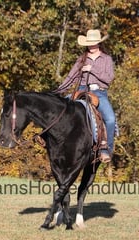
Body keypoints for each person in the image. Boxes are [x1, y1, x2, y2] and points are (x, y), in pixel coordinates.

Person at [54, 29, 115, 163]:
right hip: (81, 90)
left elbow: (109, 78)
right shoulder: (81, 59)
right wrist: (58, 91)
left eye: (93, 43)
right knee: (59, 109)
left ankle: (105, 149)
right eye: (89, 43)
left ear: (99, 43)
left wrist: (91, 70)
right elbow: (71, 77)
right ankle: (52, 139)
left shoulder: (106, 59)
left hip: (99, 92)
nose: (91, 46)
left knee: (110, 119)